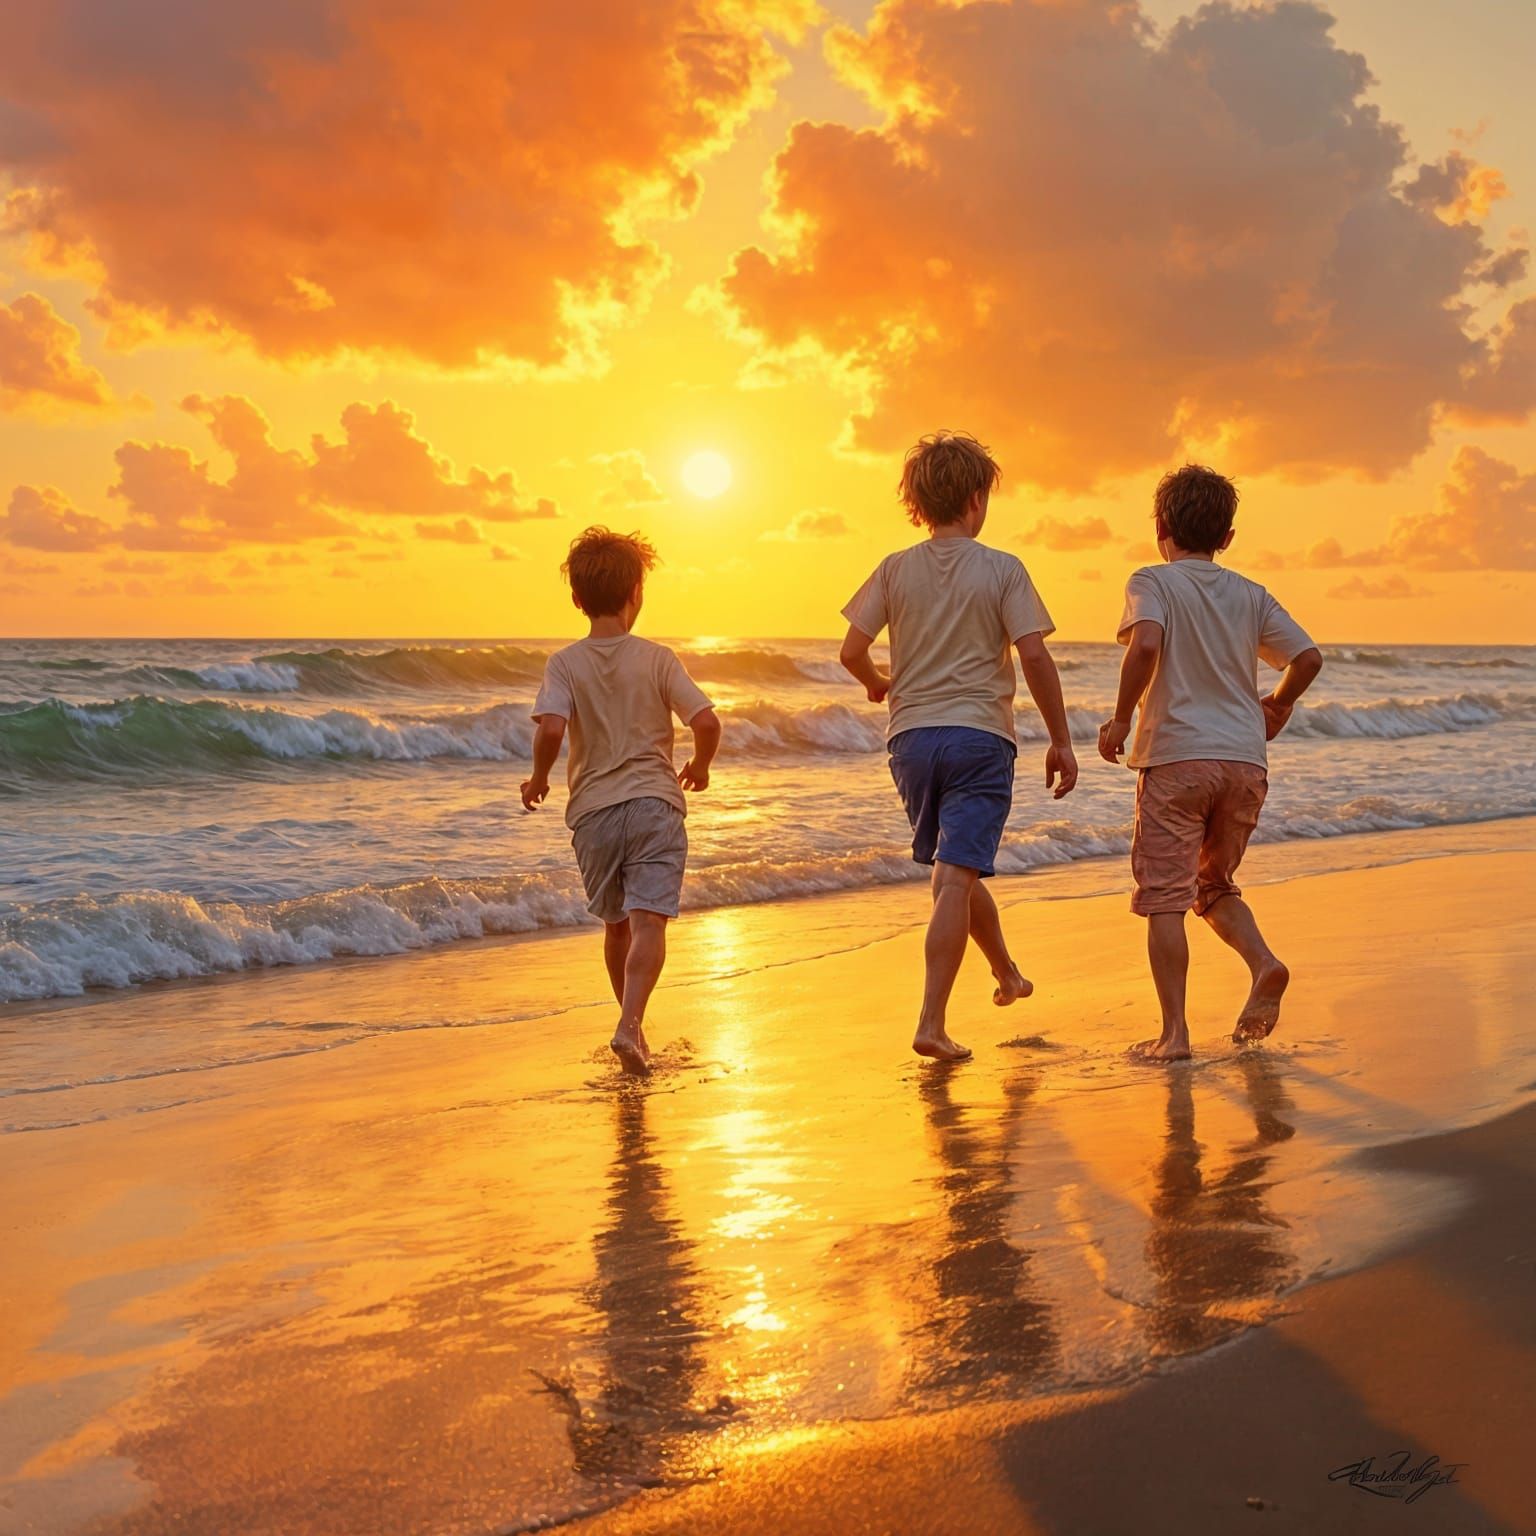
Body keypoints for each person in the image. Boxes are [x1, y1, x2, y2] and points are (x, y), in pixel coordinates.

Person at [839, 430, 1078, 1063]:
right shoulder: (1002, 568)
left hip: (911, 742)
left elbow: (851, 652)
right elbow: (1032, 654)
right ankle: (931, 1022)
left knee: (955, 871)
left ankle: (1006, 973)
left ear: (917, 503)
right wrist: (1060, 739)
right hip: (979, 738)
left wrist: (877, 685)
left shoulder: (894, 568)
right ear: (976, 499)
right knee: (954, 875)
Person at [1098, 464, 1323, 1062]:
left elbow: (1146, 643)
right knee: (1211, 883)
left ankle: (1174, 1035)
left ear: (1161, 528)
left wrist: (1120, 719)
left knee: (1165, 898)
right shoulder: (1251, 595)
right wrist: (1276, 705)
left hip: (1176, 758)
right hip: (1245, 764)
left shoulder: (1152, 581)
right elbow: (1307, 657)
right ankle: (1264, 963)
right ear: (1226, 537)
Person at [522, 527, 721, 1076]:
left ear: (577, 599)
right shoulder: (657, 659)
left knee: (616, 925)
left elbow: (552, 729)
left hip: (593, 813)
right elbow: (706, 720)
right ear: (637, 591)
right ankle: (630, 1027)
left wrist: (539, 778)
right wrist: (699, 765)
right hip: (656, 804)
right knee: (649, 922)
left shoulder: (564, 664)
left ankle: (629, 1026)